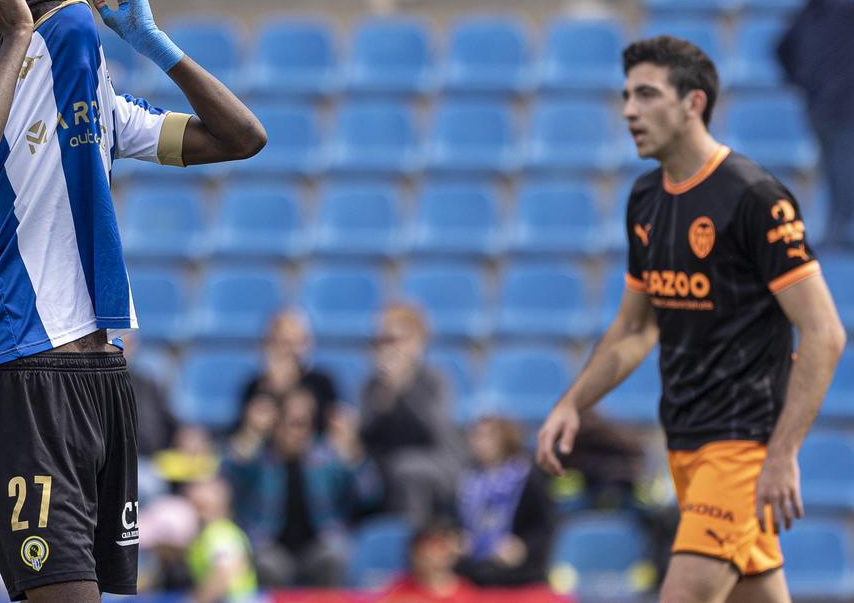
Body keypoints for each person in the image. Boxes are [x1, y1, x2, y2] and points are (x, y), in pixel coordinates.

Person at [0, 0, 265, 601]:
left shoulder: (106, 113)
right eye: (69, 31)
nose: (86, 45)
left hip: (104, 382)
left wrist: (151, 43)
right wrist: (22, 37)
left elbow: (242, 136)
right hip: (26, 378)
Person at [535, 36, 846, 603]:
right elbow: (635, 328)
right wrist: (571, 403)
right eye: (626, 95)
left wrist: (781, 455)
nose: (629, 110)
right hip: (685, 442)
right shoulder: (646, 199)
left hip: (743, 445)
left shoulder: (755, 197)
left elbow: (825, 332)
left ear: (693, 103)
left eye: (647, 95)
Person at [224, 389, 371, 588]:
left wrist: (352, 453)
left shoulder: (326, 459)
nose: (298, 433)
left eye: (304, 424)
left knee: (336, 555)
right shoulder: (259, 459)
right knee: (267, 563)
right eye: (291, 424)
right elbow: (229, 473)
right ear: (275, 426)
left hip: (318, 545)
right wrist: (252, 431)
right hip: (271, 544)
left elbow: (368, 494)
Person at [777, 0, 854, 250]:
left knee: (840, 182)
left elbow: (784, 49)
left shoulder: (815, 4)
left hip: (825, 107)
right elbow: (784, 50)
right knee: (842, 189)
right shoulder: (823, 6)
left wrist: (810, 87)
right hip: (837, 108)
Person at [360, 303, 460, 526]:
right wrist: (384, 400)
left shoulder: (434, 379)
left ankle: (413, 541)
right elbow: (367, 437)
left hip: (437, 463)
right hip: (386, 466)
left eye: (393, 340)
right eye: (380, 341)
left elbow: (434, 432)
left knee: (406, 469)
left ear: (417, 342)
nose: (386, 349)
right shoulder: (372, 386)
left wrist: (403, 391)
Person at [456, 415, 553, 588]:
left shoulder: (526, 477)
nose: (479, 442)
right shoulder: (467, 478)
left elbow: (544, 526)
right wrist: (458, 539)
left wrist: (523, 546)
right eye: (476, 435)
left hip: (516, 567)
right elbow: (454, 522)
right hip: (474, 563)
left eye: (488, 436)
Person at [237, 308, 338, 435]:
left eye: (299, 342)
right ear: (270, 345)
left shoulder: (321, 384)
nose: (293, 351)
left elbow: (333, 438)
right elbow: (240, 447)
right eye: (285, 343)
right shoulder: (254, 388)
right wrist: (252, 429)